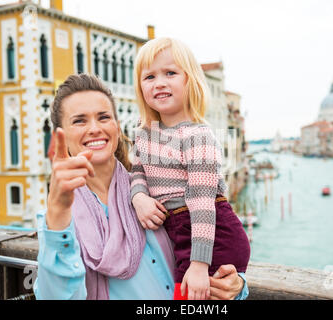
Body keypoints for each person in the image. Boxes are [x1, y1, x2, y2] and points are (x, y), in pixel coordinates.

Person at [33, 73, 248, 300]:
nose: (95, 128)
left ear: (116, 127)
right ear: (61, 136)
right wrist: (58, 210)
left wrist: (236, 286)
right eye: (79, 121)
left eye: (104, 117)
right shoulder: (59, 220)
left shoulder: (156, 191)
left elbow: (208, 248)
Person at [130, 38, 251, 300]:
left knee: (185, 298)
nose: (159, 82)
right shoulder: (143, 134)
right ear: (141, 88)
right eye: (149, 76)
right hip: (181, 232)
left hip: (211, 234)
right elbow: (136, 171)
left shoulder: (198, 136)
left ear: (190, 81)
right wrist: (139, 197)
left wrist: (199, 264)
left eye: (170, 73)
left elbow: (202, 202)